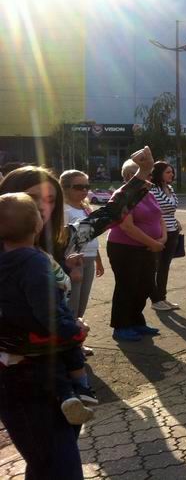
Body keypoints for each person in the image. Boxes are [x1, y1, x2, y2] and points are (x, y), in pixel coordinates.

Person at [0, 146, 154, 480]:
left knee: (49, 461)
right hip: (22, 379)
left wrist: (141, 177)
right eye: (32, 197)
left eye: (51, 199)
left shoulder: (58, 241)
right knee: (60, 465)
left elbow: (108, 215)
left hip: (64, 374)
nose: (44, 207)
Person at [0, 193, 97, 424]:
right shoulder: (35, 261)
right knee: (70, 352)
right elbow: (47, 306)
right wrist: (72, 331)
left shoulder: (9, 259)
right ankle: (83, 390)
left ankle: (66, 396)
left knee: (50, 364)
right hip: (45, 330)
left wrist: (63, 265)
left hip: (19, 334)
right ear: (36, 224)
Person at [106, 160, 166, 342]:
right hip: (125, 248)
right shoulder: (123, 195)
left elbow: (159, 216)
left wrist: (162, 238)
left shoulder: (147, 193)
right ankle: (121, 326)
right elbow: (127, 226)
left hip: (147, 248)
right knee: (127, 286)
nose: (151, 178)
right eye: (147, 175)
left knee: (145, 285)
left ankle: (136, 321)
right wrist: (152, 243)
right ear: (132, 176)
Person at [60, 170, 105, 355]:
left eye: (87, 186)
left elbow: (90, 235)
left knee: (82, 303)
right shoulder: (64, 210)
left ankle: (77, 341)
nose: (84, 190)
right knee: (72, 303)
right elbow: (62, 241)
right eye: (79, 187)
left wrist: (98, 259)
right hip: (74, 261)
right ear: (65, 188)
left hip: (89, 258)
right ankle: (69, 345)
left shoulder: (86, 208)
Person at [149, 161, 182, 312]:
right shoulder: (152, 190)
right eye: (168, 172)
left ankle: (162, 298)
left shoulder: (170, 188)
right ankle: (155, 300)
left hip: (173, 231)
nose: (171, 174)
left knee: (165, 267)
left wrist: (175, 221)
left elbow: (170, 210)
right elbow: (154, 212)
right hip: (158, 232)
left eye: (172, 172)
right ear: (159, 173)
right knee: (154, 267)